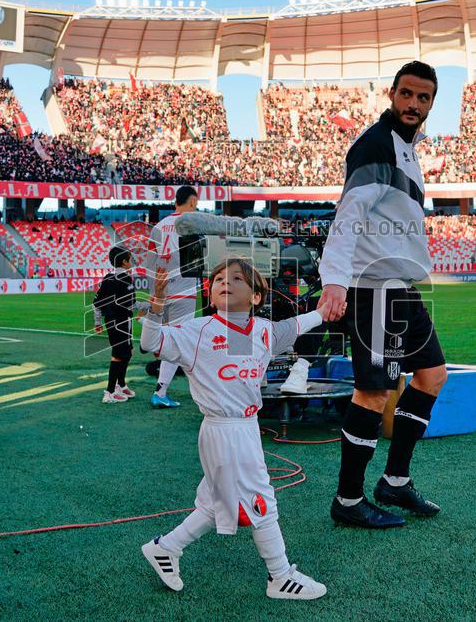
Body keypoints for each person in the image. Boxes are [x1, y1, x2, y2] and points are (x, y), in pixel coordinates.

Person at [139, 259, 329, 600]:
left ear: (256, 296)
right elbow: (151, 342)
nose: (225, 283)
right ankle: (280, 576)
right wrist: (156, 305)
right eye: (218, 280)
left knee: (217, 502)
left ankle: (166, 547)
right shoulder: (197, 331)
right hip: (223, 429)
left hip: (247, 428)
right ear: (211, 294)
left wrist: (323, 312)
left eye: (236, 278)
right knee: (261, 501)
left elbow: (295, 325)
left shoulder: (262, 331)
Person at [317, 61, 447, 529]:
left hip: (401, 288)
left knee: (431, 376)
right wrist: (335, 279)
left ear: (431, 104)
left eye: (423, 97)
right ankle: (348, 500)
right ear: (391, 94)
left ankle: (394, 480)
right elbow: (350, 213)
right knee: (373, 392)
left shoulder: (407, 149)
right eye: (406, 94)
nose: (413, 103)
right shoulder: (376, 143)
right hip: (374, 287)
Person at [143, 185, 200, 409]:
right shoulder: (192, 224)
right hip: (184, 291)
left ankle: (162, 390)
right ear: (192, 202)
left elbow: (149, 263)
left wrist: (155, 294)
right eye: (196, 203)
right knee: (181, 341)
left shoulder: (158, 226)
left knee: (171, 340)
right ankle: (161, 391)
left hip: (162, 291)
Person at [92, 246, 140, 404]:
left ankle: (121, 384)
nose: (132, 262)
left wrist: (97, 322)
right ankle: (110, 392)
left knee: (127, 351)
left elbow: (96, 303)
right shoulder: (126, 279)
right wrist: (150, 307)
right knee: (119, 355)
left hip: (112, 321)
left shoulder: (108, 278)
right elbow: (132, 304)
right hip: (121, 321)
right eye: (130, 259)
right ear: (125, 262)